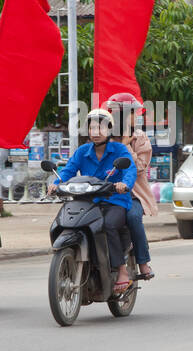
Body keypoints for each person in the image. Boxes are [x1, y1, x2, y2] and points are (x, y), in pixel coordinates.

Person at [51, 108, 137, 291]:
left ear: (109, 130)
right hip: (88, 202)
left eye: (101, 128)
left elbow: (130, 170)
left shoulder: (119, 149)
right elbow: (68, 171)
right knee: (63, 222)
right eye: (92, 128)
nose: (96, 132)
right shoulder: (82, 151)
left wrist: (124, 184)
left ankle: (121, 270)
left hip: (115, 200)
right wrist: (55, 183)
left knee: (109, 225)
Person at [108, 93, 156, 279]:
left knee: (133, 217)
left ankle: (143, 262)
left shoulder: (140, 138)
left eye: (133, 114)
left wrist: (126, 145)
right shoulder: (103, 137)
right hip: (105, 193)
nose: (134, 117)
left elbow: (140, 168)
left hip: (132, 195)